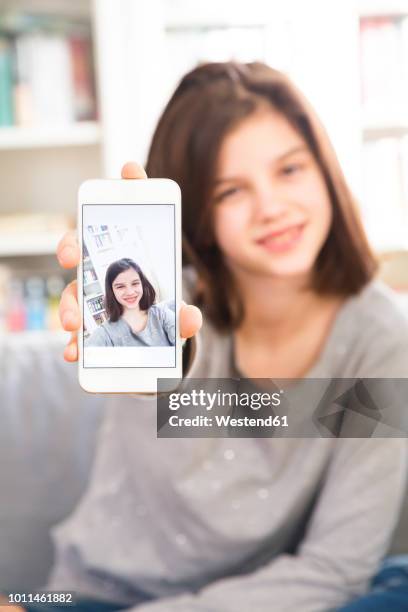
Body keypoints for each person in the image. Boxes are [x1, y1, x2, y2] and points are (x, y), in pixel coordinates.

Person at [4, 61, 408, 612]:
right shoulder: (166, 302)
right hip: (101, 596)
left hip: (272, 597)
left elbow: (334, 569)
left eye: (290, 170)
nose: (272, 207)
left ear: (325, 172)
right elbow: (175, 372)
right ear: (198, 214)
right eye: (230, 192)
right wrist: (149, 352)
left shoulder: (379, 338)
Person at [85, 258, 175, 347]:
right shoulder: (105, 333)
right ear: (111, 291)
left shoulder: (162, 314)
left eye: (135, 283)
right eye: (120, 287)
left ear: (142, 284)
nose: (130, 292)